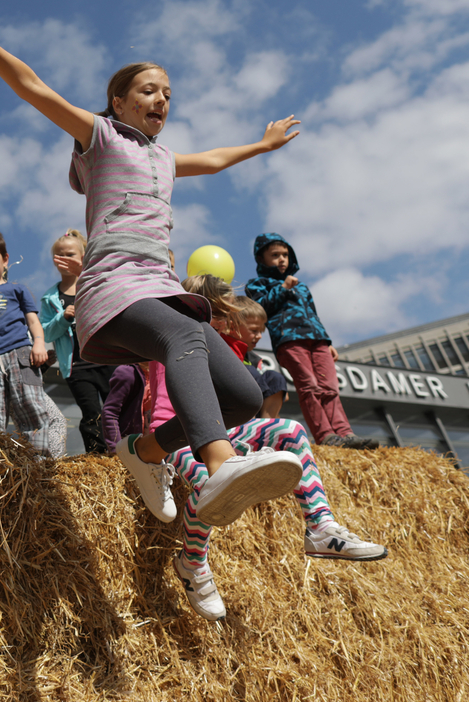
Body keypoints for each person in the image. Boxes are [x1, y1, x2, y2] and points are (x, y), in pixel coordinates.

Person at [0, 0, 302, 527]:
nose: (162, 101)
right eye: (149, 91)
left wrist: (261, 146)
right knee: (185, 334)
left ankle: (145, 453)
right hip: (115, 287)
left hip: (160, 285)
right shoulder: (100, 137)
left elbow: (215, 159)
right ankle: (219, 461)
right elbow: (31, 86)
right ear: (120, 102)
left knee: (240, 395)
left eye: (168, 94)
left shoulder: (167, 159)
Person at [103, 277, 388, 621]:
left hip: (220, 429)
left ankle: (321, 527)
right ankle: (192, 562)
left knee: (291, 431)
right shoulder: (165, 332)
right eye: (224, 312)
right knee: (212, 484)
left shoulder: (219, 345)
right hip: (173, 433)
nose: (230, 321)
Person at [245, 233, 375, 449]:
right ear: (261, 259)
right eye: (275, 255)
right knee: (310, 387)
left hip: (318, 339)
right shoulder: (257, 284)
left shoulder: (302, 286)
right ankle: (325, 435)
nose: (282, 259)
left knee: (330, 387)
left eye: (285, 254)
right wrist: (282, 288)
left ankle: (344, 433)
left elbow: (314, 314)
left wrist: (327, 341)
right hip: (289, 340)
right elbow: (260, 310)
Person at [0, 230, 67, 457]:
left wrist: (38, 343)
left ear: (5, 259)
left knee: (31, 408)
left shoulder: (17, 289)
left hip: (19, 354)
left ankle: (40, 464)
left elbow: (32, 320)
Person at [40, 229, 114, 453]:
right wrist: (62, 318)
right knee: (92, 413)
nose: (65, 259)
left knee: (116, 409)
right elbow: (46, 333)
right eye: (60, 255)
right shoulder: (50, 298)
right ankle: (98, 457)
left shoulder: (95, 284)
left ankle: (123, 454)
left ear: (83, 256)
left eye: (70, 254)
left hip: (107, 359)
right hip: (77, 366)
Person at [231, 294, 288, 420]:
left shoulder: (253, 359)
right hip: (232, 414)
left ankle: (265, 428)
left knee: (275, 379)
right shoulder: (221, 349)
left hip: (254, 410)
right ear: (232, 326)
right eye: (254, 330)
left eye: (261, 331)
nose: (259, 336)